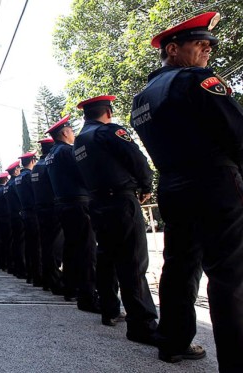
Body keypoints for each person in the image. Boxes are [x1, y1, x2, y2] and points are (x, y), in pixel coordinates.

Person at [131, 12, 243, 370]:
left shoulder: (142, 99)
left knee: (180, 266)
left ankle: (173, 342)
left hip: (175, 187)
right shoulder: (198, 80)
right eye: (200, 44)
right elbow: (236, 133)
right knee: (230, 274)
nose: (207, 51)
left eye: (209, 45)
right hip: (215, 183)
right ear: (174, 49)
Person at [74, 95, 158, 344]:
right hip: (121, 201)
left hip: (97, 203)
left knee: (107, 257)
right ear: (108, 112)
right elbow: (137, 159)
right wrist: (145, 184)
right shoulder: (109, 132)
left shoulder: (79, 142)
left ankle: (109, 309)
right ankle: (142, 324)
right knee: (133, 262)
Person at [45, 115, 99, 313]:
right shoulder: (67, 151)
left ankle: (71, 288)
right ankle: (88, 294)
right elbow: (84, 173)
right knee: (86, 250)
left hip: (64, 204)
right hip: (77, 202)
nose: (73, 134)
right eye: (71, 130)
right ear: (65, 132)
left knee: (71, 248)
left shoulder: (52, 154)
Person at [31, 138, 64, 294]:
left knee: (44, 246)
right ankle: (55, 282)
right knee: (55, 248)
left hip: (40, 210)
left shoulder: (36, 168)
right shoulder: (48, 165)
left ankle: (46, 280)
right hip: (53, 209)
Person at [15, 151, 43, 287]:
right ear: (32, 160)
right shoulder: (29, 176)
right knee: (36, 247)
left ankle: (30, 274)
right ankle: (37, 276)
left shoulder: (19, 178)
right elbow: (37, 193)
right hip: (33, 213)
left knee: (29, 245)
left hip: (25, 213)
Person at [4, 160, 26, 279]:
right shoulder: (14, 184)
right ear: (15, 170)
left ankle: (15, 267)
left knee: (14, 242)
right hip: (18, 215)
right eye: (18, 169)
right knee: (21, 243)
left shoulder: (7, 186)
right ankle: (21, 269)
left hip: (11, 216)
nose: (19, 170)